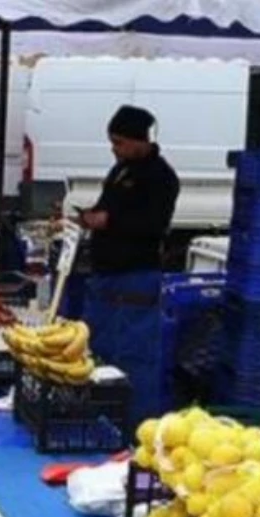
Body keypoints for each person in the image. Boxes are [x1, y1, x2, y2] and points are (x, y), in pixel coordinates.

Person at [77, 105, 180, 422]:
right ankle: (98, 415)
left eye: (120, 142)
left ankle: (137, 424)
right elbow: (106, 206)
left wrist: (108, 221)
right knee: (98, 350)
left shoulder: (162, 177)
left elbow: (153, 225)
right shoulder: (120, 170)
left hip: (137, 278)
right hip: (105, 277)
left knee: (136, 356)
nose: (115, 149)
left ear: (140, 140)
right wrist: (89, 216)